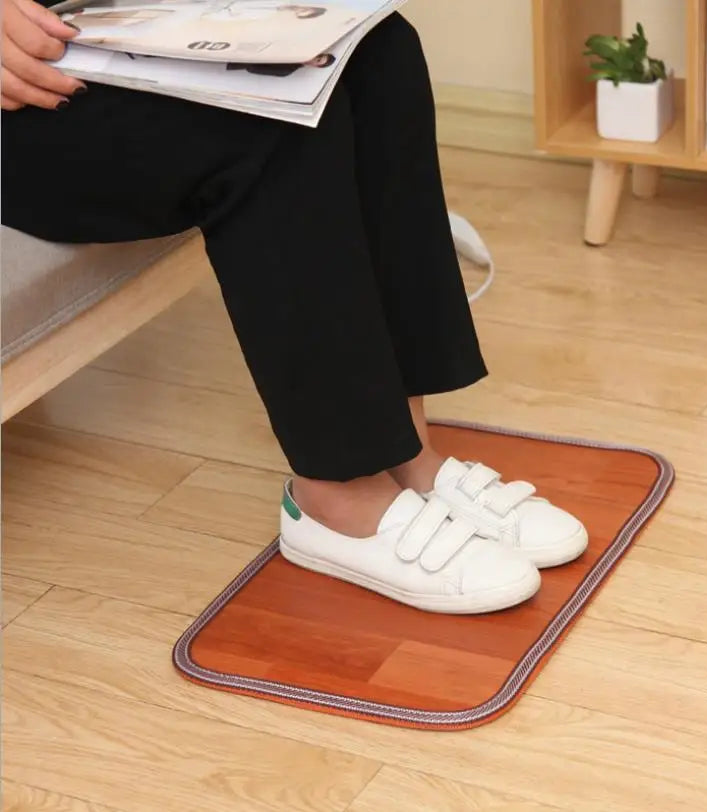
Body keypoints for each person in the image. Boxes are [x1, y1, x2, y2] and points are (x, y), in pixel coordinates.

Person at [1, 1, 588, 614]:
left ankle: (408, 454)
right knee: (265, 114)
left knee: (378, 49)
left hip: (77, 28)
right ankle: (338, 496)